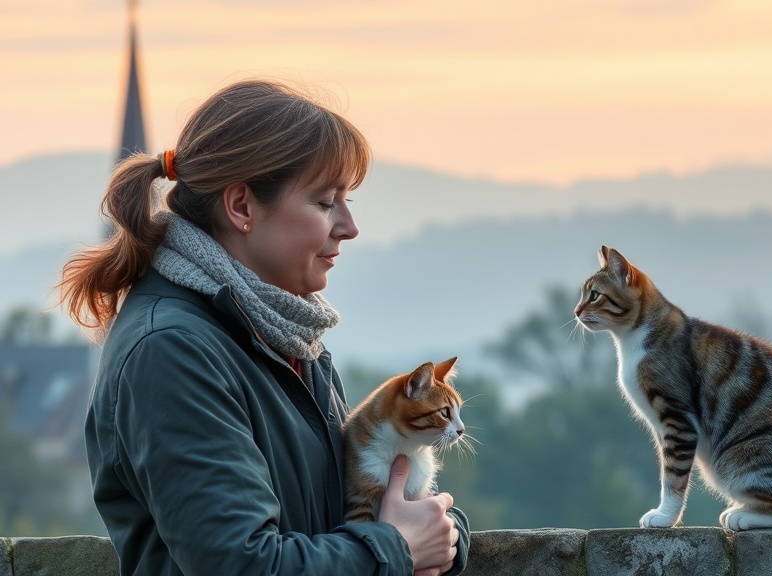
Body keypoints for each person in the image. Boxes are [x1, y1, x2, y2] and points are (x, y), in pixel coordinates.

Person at [58, 79, 470, 575]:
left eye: (348, 201)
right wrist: (393, 551)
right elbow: (241, 563)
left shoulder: (287, 335)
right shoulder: (171, 353)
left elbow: (359, 510)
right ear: (242, 207)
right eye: (324, 202)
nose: (348, 226)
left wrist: (443, 535)